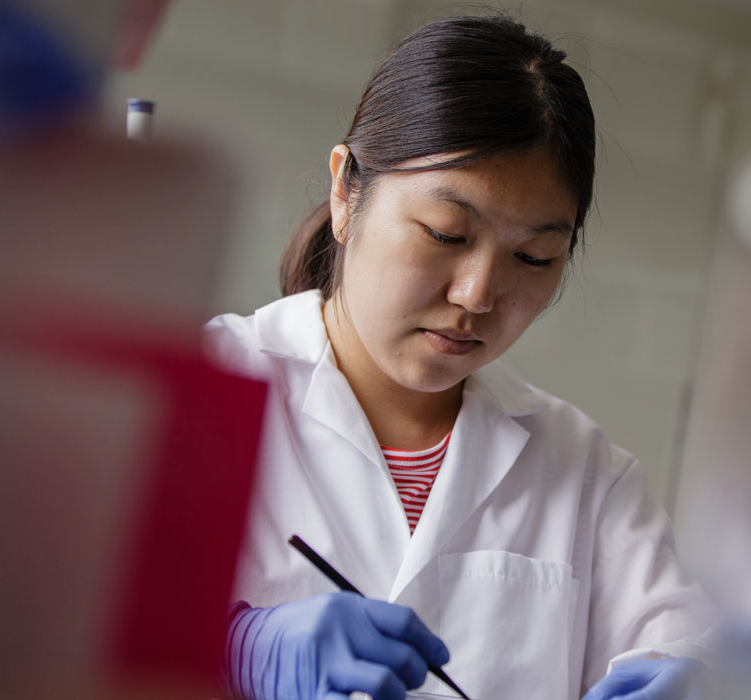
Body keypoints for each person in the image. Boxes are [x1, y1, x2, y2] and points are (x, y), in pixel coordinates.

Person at [204, 14, 713, 700]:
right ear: (345, 192)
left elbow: (682, 643)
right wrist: (235, 653)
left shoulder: (587, 472)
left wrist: (700, 680)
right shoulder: (201, 388)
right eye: (446, 234)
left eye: (534, 257)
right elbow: (47, 633)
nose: (476, 294)